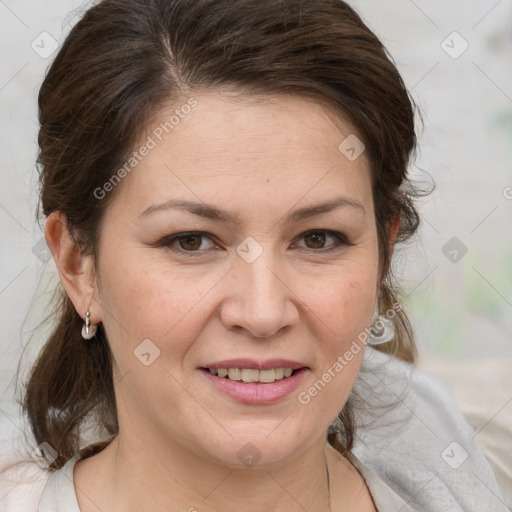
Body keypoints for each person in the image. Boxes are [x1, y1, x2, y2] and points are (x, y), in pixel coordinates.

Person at [0, 0, 508, 510]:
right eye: (191, 241)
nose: (263, 313)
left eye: (318, 238)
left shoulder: (451, 473)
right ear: (77, 265)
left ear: (383, 254)